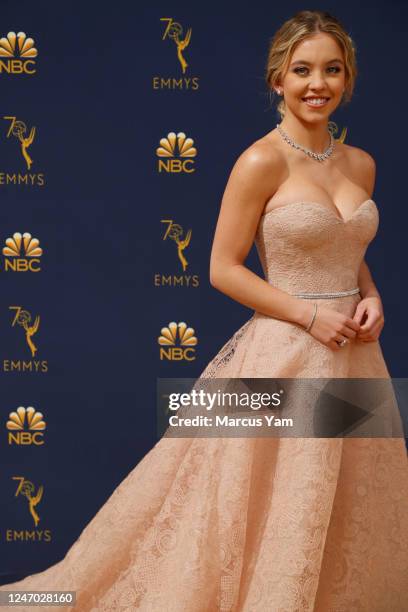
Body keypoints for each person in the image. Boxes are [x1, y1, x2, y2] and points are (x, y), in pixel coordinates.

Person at [2, 9, 408, 611]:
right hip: (287, 353)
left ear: (347, 79)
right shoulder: (260, 161)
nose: (316, 83)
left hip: (355, 354)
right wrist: (308, 316)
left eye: (332, 69)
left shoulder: (361, 164)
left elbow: (348, 251)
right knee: (270, 503)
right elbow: (222, 267)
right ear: (278, 80)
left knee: (346, 503)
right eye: (301, 70)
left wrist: (371, 296)